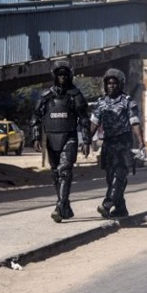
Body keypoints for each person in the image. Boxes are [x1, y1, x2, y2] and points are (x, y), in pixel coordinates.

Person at [30, 60, 91, 223]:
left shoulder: (75, 95)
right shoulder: (46, 96)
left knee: (65, 171)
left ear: (69, 75)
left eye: (65, 74)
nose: (62, 77)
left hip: (69, 137)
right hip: (51, 139)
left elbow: (84, 119)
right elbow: (36, 117)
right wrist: (35, 137)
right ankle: (65, 205)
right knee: (56, 174)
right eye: (59, 74)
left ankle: (59, 206)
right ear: (54, 76)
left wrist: (86, 140)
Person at [90, 68, 144, 219]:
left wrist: (141, 142)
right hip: (108, 144)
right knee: (110, 177)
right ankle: (121, 208)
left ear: (120, 85)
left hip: (123, 142)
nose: (111, 85)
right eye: (109, 83)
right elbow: (94, 123)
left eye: (114, 83)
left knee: (119, 176)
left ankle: (107, 204)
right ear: (105, 85)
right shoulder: (101, 103)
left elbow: (135, 123)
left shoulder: (128, 102)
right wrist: (87, 140)